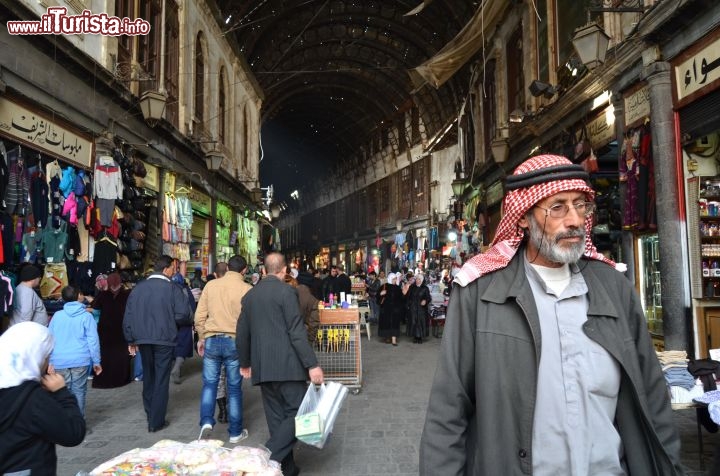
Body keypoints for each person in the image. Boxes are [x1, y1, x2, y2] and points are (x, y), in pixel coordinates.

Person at [419, 155, 683, 475]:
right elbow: (448, 412)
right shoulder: (478, 294)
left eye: (580, 205)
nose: (574, 220)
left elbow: (654, 401)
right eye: (557, 207)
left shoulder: (616, 288)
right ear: (523, 218)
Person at [237, 252, 324, 476]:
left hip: (264, 367)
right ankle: (268, 453)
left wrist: (245, 362)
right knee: (299, 413)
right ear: (284, 270)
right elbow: (296, 332)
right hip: (289, 366)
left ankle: (287, 468)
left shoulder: (250, 296)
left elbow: (242, 333)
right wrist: (312, 364)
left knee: (277, 418)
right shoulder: (287, 292)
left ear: (264, 271)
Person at [0, 321, 85, 473]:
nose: (47, 362)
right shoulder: (31, 398)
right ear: (34, 355)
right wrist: (61, 393)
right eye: (46, 356)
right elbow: (73, 433)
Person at [123, 255, 193, 432]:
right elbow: (183, 315)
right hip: (164, 338)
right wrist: (170, 321)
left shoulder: (138, 289)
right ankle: (156, 421)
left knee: (149, 375)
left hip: (143, 339)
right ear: (166, 269)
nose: (174, 271)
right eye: (173, 268)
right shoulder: (172, 288)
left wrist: (130, 338)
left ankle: (150, 412)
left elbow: (129, 316)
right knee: (161, 379)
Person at [195, 255, 252, 443]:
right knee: (234, 388)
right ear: (244, 271)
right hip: (234, 342)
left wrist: (202, 337)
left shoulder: (211, 286)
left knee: (210, 383)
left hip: (212, 339)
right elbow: (250, 321)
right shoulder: (247, 289)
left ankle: (206, 422)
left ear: (227, 267)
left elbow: (199, 316)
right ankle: (235, 433)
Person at [47, 285, 102, 416]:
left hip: (60, 360)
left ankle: (66, 426)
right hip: (80, 359)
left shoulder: (57, 316)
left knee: (64, 392)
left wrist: (50, 361)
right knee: (79, 391)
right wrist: (96, 361)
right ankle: (78, 424)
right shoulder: (86, 316)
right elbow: (93, 341)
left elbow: (49, 340)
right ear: (78, 297)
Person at [91, 272, 132, 389]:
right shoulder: (127, 294)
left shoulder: (103, 295)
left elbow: (95, 308)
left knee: (106, 354)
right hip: (122, 328)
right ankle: (121, 379)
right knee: (121, 353)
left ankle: (105, 378)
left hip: (106, 329)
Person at [171, 271, 197, 384]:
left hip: (170, 322)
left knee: (170, 344)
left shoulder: (168, 289)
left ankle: (170, 366)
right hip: (185, 322)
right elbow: (192, 306)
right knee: (183, 345)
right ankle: (177, 367)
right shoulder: (186, 290)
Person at [289, 272, 320, 345]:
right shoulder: (313, 300)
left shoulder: (289, 294)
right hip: (303, 336)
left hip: (289, 336)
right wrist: (310, 339)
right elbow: (314, 322)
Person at [377, 272, 403, 346]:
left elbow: (401, 299)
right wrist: (380, 294)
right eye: (394, 279)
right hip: (386, 309)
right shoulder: (384, 286)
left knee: (394, 324)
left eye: (395, 279)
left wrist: (399, 308)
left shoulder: (398, 288)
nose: (395, 280)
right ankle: (388, 337)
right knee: (387, 323)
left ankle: (394, 340)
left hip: (395, 310)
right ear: (390, 279)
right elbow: (377, 297)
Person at [406, 273, 430, 344]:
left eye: (419, 279)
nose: (417, 280)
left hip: (421, 309)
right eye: (416, 279)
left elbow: (428, 297)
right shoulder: (412, 287)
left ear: (422, 280)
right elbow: (408, 297)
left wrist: (425, 300)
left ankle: (419, 337)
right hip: (413, 308)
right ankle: (415, 336)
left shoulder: (425, 288)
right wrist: (409, 304)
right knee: (414, 322)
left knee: (420, 323)